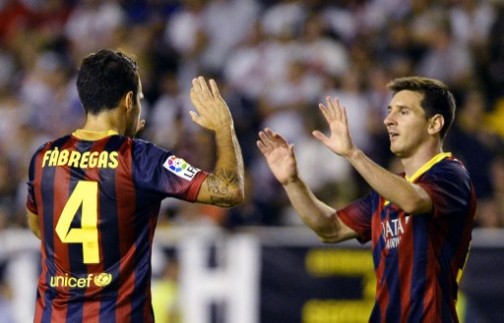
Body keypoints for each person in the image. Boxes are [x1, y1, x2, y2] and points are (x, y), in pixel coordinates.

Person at [26, 49, 244, 322]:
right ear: (129, 101)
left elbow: (40, 229)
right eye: (139, 99)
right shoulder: (141, 160)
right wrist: (225, 127)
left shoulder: (43, 157)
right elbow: (229, 190)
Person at [257, 76, 476, 322]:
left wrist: (352, 153)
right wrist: (292, 182)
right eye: (389, 111)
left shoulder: (451, 174)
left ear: (434, 124)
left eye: (403, 112)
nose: (388, 120)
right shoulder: (386, 192)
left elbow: (413, 201)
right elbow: (329, 228)